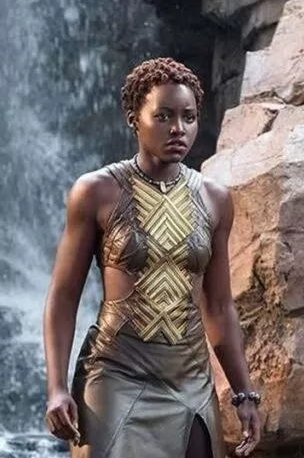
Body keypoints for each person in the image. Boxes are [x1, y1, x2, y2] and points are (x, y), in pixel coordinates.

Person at [42, 58, 262, 458]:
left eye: (188, 117)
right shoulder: (96, 192)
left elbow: (218, 305)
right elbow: (63, 296)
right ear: (134, 119)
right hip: (116, 375)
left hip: (190, 378)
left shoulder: (215, 199)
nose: (178, 128)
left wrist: (244, 393)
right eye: (163, 116)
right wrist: (56, 387)